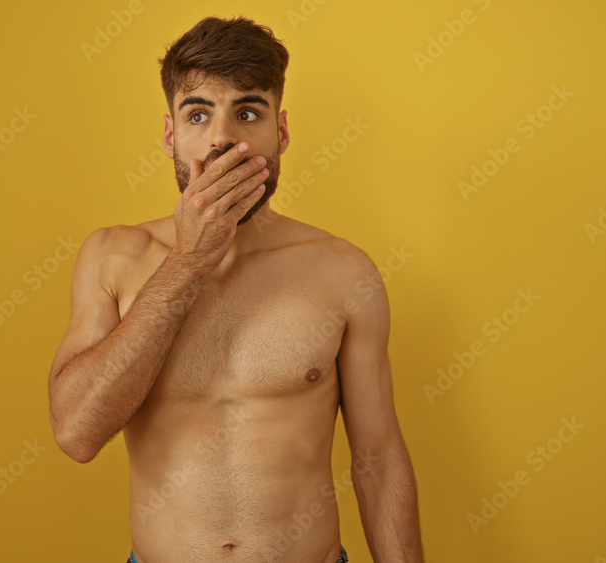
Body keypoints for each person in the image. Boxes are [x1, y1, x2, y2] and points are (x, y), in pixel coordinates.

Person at [47, 15, 425, 563]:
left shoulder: (343, 272)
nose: (223, 137)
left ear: (283, 133)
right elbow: (76, 433)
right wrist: (189, 259)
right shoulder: (113, 258)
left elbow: (379, 457)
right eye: (198, 113)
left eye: (248, 112)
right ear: (171, 135)